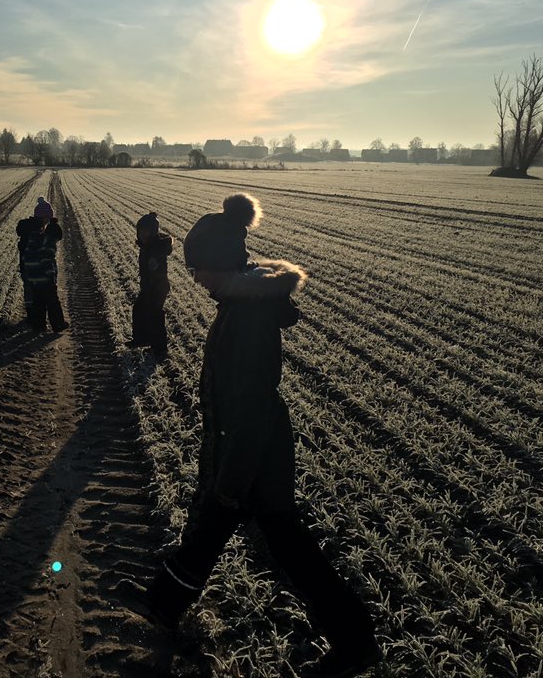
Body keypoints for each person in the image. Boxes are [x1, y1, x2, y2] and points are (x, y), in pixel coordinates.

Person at [119, 193, 381, 678]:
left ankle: (356, 642)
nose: (193, 276)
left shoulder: (250, 318)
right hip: (243, 447)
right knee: (210, 529)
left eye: (198, 267)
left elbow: (254, 405)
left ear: (218, 263)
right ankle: (163, 604)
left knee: (288, 549)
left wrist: (231, 477)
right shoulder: (239, 305)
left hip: (255, 454)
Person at [16, 197, 69, 333]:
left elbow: (28, 253)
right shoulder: (47, 242)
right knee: (52, 301)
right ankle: (58, 324)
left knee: (38, 301)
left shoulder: (34, 236)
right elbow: (47, 260)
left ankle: (38, 325)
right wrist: (50, 274)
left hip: (32, 273)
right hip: (44, 276)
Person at [131, 212, 173, 356]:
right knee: (139, 310)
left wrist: (151, 285)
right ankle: (142, 340)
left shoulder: (155, 248)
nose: (142, 234)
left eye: (146, 231)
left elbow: (154, 268)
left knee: (155, 316)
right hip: (149, 286)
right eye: (140, 231)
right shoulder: (147, 245)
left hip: (157, 287)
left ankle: (160, 348)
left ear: (153, 232)